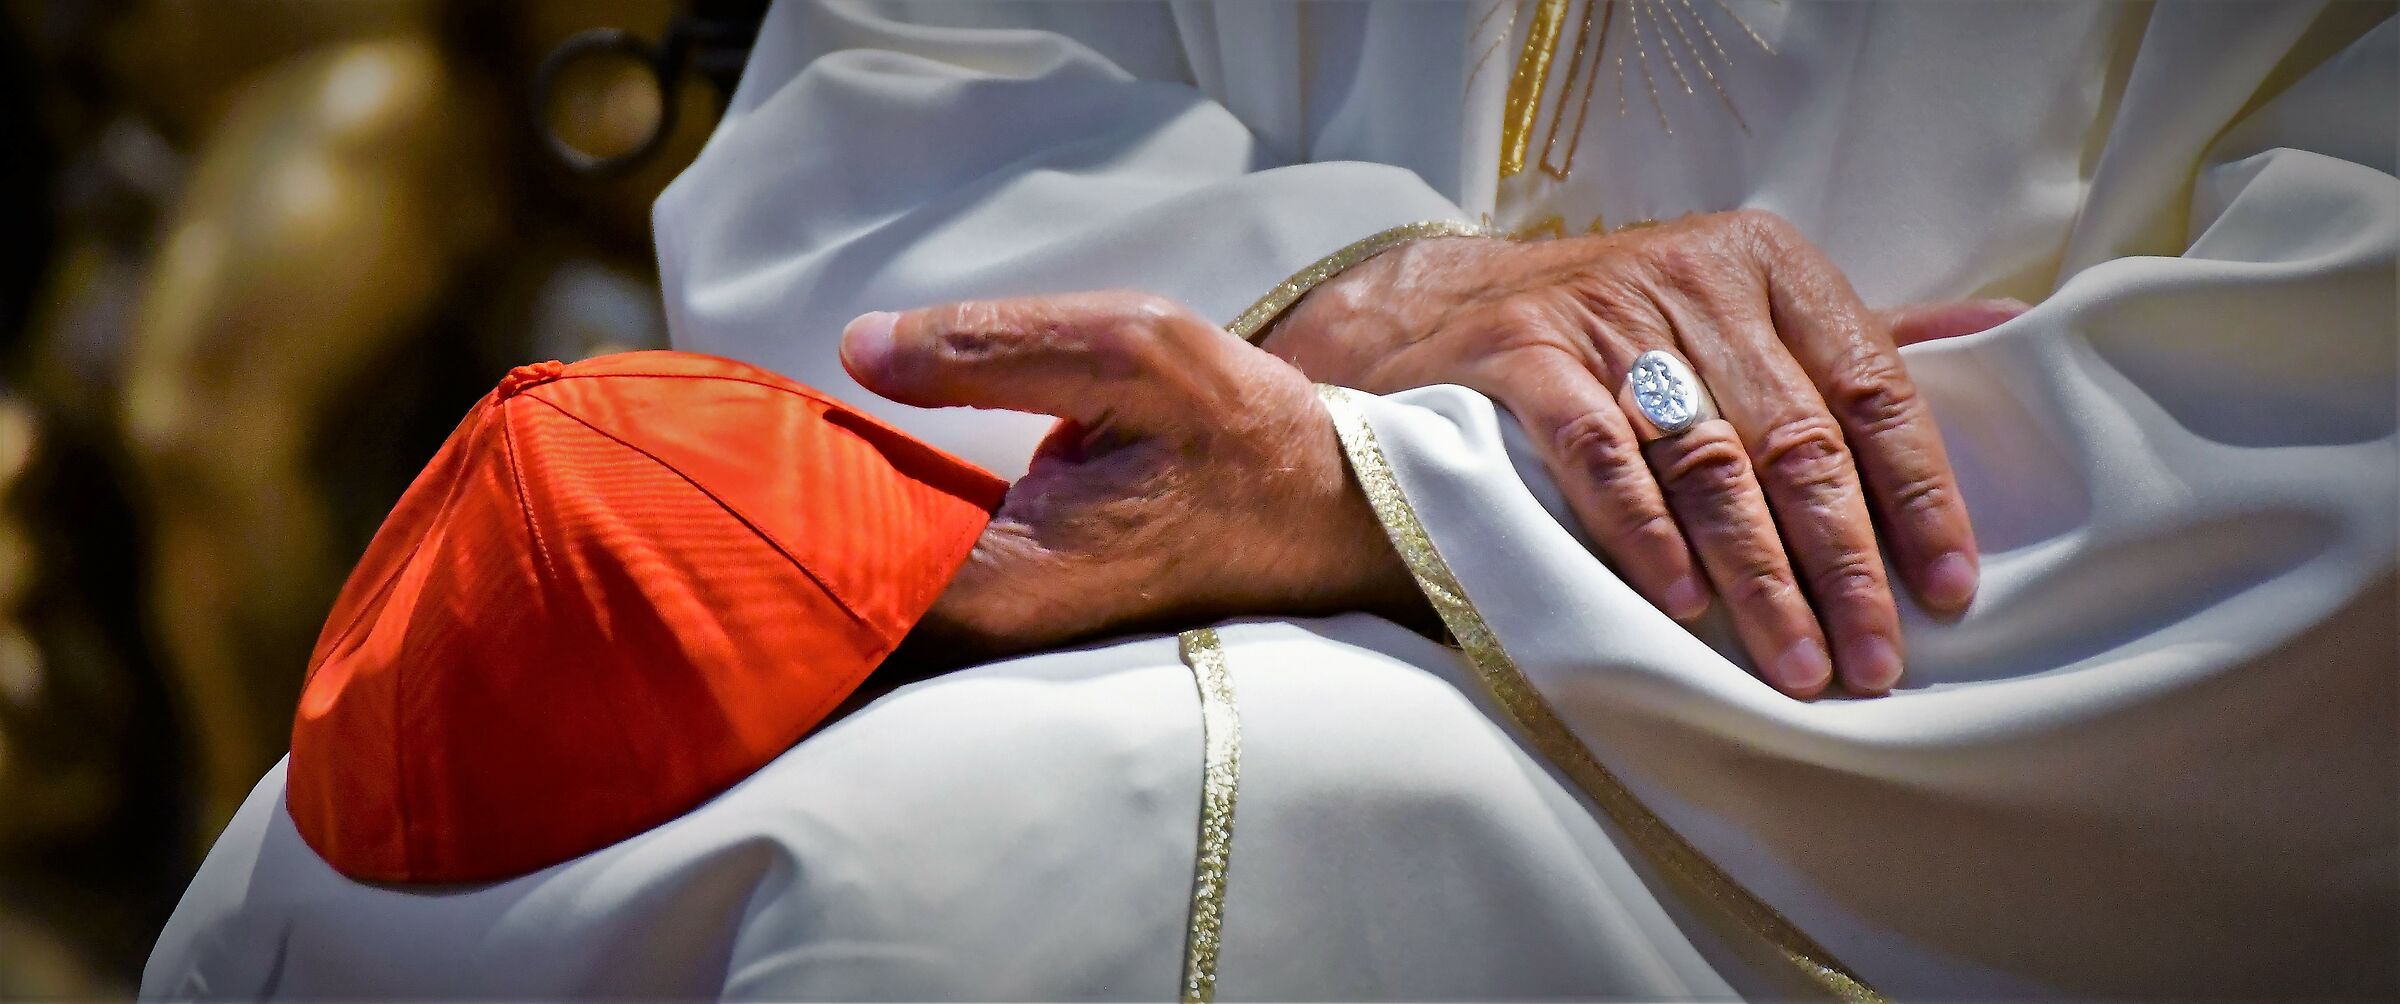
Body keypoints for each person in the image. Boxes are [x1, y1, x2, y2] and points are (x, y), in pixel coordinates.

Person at [146, 2, 2396, 1000]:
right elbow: (910, 84)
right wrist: (1357, 298)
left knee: (930, 913)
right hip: (1162, 544)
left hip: (1901, 765)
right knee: (369, 869)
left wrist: (1394, 485)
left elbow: (2330, 406)